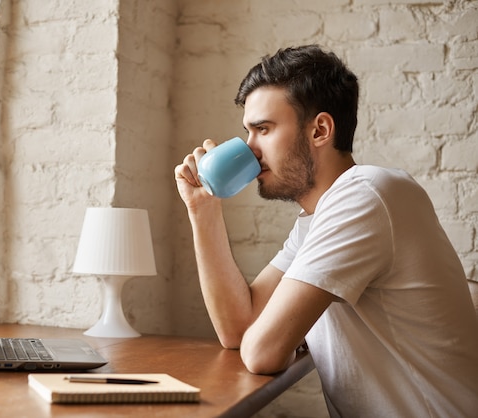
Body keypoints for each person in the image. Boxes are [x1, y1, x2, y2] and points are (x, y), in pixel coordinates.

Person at [174, 45, 478, 417]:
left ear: (320, 129)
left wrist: (278, 336)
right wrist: (203, 211)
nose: (249, 149)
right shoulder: (318, 220)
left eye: (263, 130)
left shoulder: (365, 195)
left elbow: (261, 352)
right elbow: (239, 331)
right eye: (248, 132)